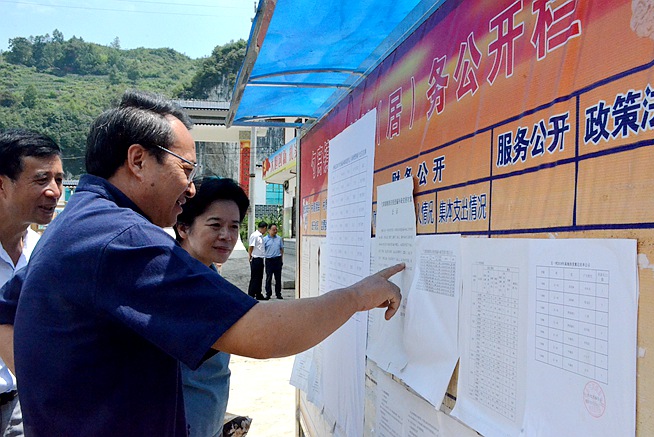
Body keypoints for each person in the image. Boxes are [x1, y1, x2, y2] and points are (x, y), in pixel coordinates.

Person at [0, 90, 402, 437]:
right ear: (137, 160)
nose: (191, 188)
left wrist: (60, 388)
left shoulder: (77, 222)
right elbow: (262, 332)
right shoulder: (122, 238)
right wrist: (356, 297)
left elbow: (6, 310)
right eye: (185, 169)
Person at [173, 177, 248, 437]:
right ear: (183, 227)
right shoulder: (172, 285)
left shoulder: (212, 278)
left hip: (208, 422)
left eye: (234, 226)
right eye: (215, 225)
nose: (227, 236)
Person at [0, 129, 63, 437]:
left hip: (21, 408)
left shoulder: (45, 255)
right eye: (41, 180)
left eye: (59, 180)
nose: (54, 191)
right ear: (2, 184)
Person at [247, 221, 267, 300]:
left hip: (261, 258)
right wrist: (250, 256)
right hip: (255, 258)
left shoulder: (261, 236)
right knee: (254, 277)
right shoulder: (255, 235)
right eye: (265, 229)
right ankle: (251, 294)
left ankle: (258, 293)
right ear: (264, 228)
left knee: (259, 277)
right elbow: (251, 247)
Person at [263, 223, 284, 300]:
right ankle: (268, 294)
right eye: (273, 230)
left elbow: (281, 249)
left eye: (276, 229)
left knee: (278, 278)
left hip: (277, 259)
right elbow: (263, 250)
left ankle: (278, 293)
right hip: (269, 260)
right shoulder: (265, 239)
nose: (275, 231)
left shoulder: (279, 238)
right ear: (269, 230)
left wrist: (281, 259)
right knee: (269, 277)